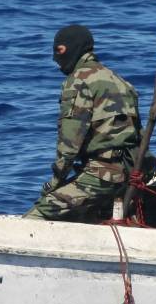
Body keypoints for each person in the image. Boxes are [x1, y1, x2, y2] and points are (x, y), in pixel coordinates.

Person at [24, 24, 142, 222]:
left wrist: (54, 183)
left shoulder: (79, 81)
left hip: (102, 175)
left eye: (59, 51)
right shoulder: (119, 80)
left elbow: (69, 146)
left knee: (39, 214)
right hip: (130, 172)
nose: (55, 59)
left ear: (73, 48)